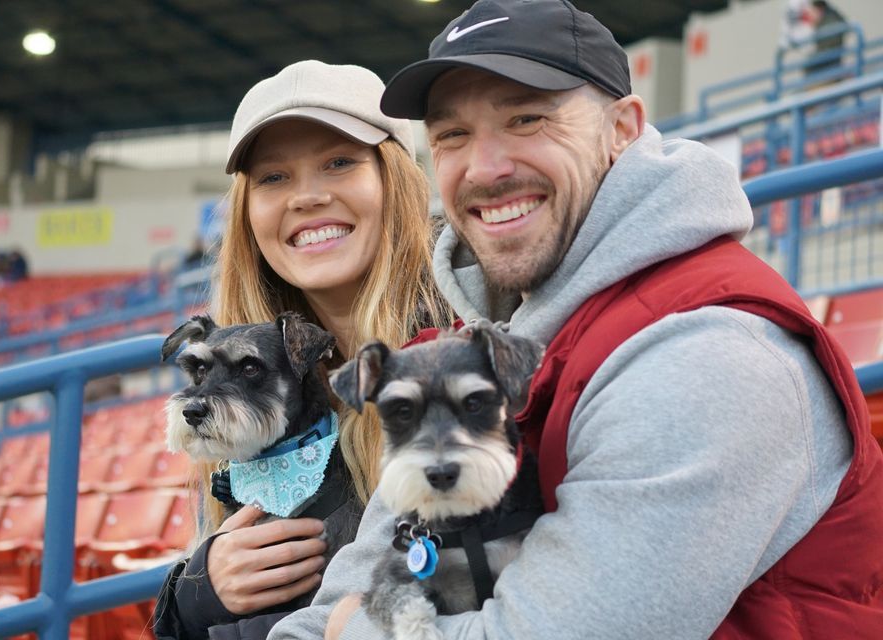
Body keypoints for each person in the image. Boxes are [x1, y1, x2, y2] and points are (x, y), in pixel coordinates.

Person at [270, 1, 883, 639]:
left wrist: (354, 631)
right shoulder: (460, 345)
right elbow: (324, 612)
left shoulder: (709, 353)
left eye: (527, 118)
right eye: (452, 135)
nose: (485, 168)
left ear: (623, 128)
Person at [153, 60, 449, 640]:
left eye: (339, 162)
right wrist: (194, 594)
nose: (307, 197)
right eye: (273, 178)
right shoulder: (243, 365)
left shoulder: (461, 336)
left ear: (396, 176)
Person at [806, 0, 847, 81]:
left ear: (819, 10)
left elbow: (826, 53)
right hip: (830, 70)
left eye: (812, 12)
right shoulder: (828, 22)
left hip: (829, 73)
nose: (810, 15)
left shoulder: (829, 26)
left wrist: (807, 66)